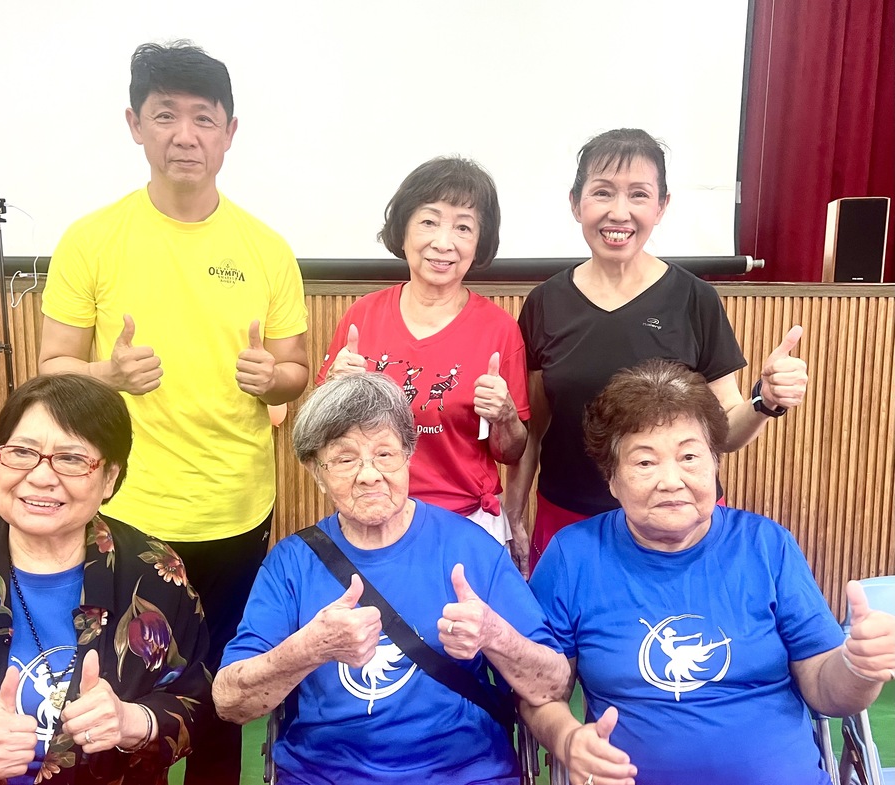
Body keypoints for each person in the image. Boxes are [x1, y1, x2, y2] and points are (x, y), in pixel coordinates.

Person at [38, 41, 309, 782]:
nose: (184, 135)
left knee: (222, 689)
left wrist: (274, 378)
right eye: (165, 115)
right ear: (135, 124)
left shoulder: (266, 247)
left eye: (203, 118)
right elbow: (52, 366)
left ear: (230, 132)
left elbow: (295, 370)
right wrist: (107, 373)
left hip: (236, 506)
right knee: (125, 690)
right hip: (125, 508)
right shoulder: (92, 239)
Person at [522, 359, 895, 785]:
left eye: (689, 457)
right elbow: (539, 691)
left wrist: (860, 668)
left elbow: (827, 690)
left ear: (715, 464)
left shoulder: (766, 546)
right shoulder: (573, 556)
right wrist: (567, 738)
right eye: (645, 463)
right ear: (612, 479)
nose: (671, 480)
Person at [214, 374, 567, 784]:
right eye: (345, 459)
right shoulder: (291, 564)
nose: (369, 474)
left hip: (465, 773)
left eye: (384, 453)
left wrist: (494, 634)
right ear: (316, 472)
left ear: (409, 455)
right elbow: (230, 702)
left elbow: (553, 684)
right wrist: (308, 648)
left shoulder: (470, 547)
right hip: (326, 775)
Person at [505, 128, 808, 576]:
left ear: (661, 206)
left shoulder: (694, 299)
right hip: (570, 518)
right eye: (602, 192)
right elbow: (534, 429)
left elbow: (723, 431)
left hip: (677, 521)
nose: (619, 212)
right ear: (576, 203)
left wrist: (766, 401)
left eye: (639, 194)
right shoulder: (545, 303)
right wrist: (513, 510)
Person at [0, 374, 209, 784]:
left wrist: (132, 721)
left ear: (110, 477)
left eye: (72, 459)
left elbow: (198, 702)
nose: (41, 477)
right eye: (22, 452)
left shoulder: (153, 572)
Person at [318, 156, 529, 555]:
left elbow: (509, 452)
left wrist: (504, 416)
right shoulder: (362, 316)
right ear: (403, 230)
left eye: (463, 227)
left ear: (479, 243)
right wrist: (333, 391)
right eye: (429, 221)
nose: (443, 242)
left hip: (465, 525)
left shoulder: (499, 329)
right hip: (371, 519)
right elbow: (323, 438)